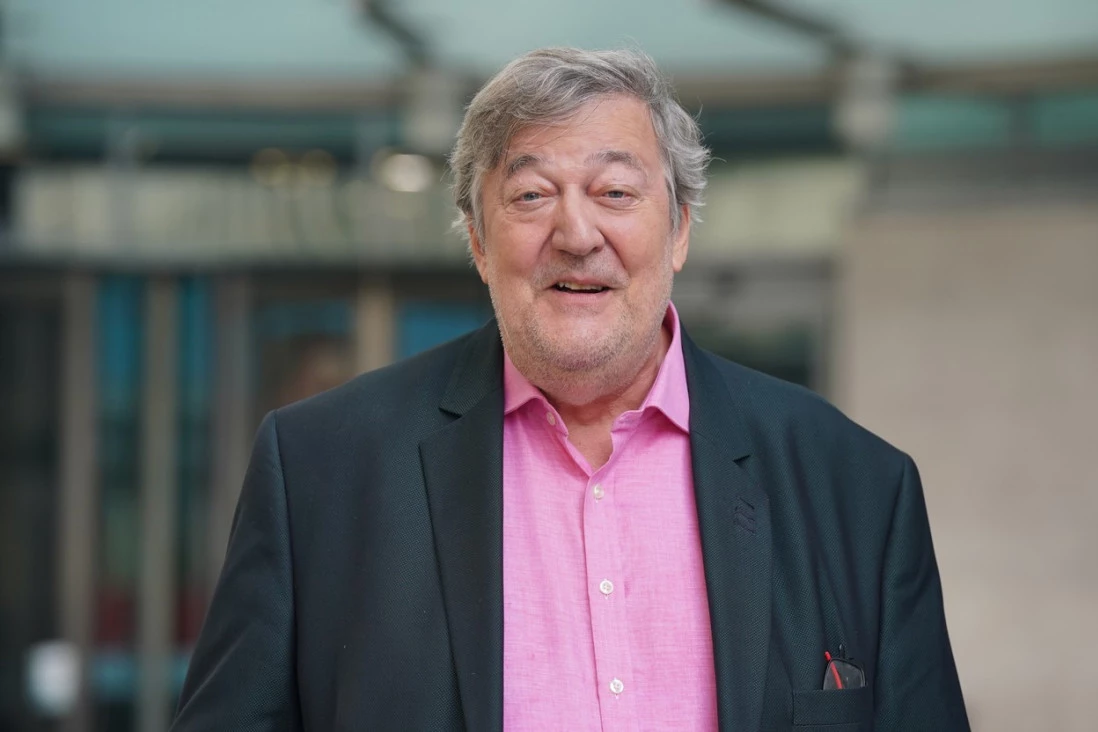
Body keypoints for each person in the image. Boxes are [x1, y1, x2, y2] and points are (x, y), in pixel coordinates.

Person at [171, 47, 969, 731]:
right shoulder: (320, 469)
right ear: (478, 240)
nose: (577, 234)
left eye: (615, 192)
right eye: (532, 195)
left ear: (679, 229)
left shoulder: (857, 486)